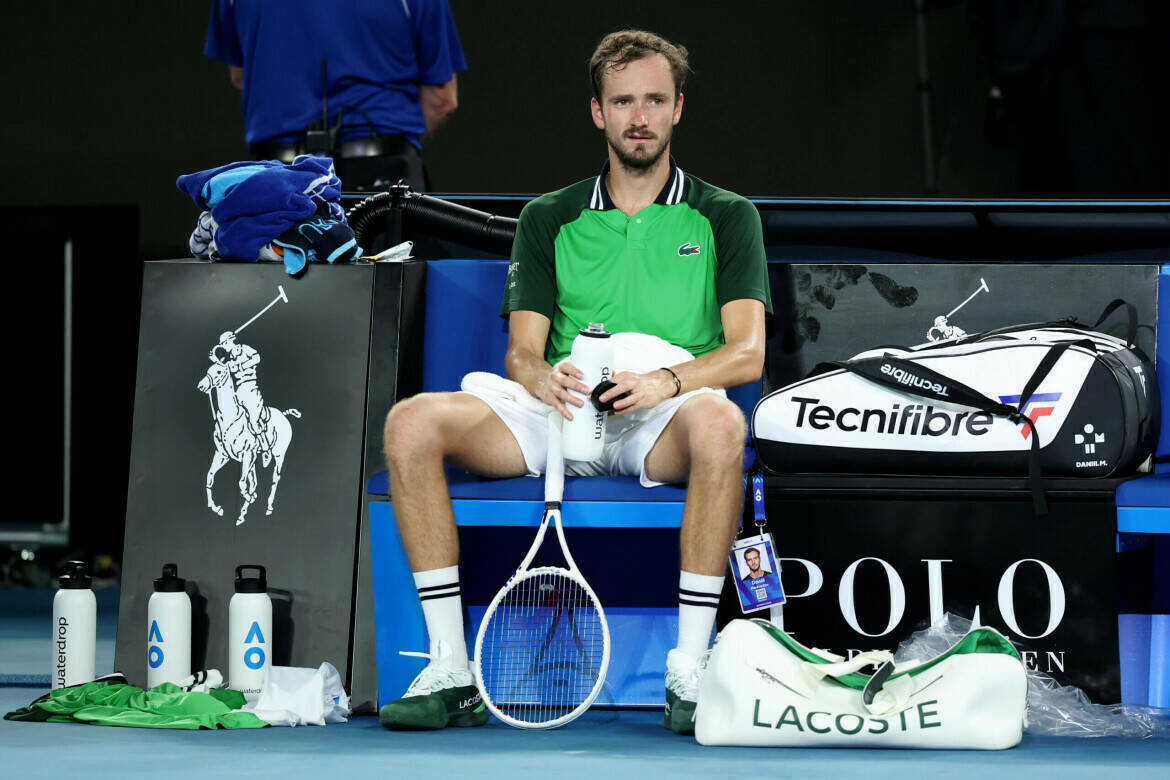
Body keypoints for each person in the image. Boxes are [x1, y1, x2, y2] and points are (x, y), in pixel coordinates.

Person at [379, 30, 771, 735]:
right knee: (410, 423)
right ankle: (449, 669)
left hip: (661, 417)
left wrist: (666, 380)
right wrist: (543, 377)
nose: (639, 117)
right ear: (599, 112)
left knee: (722, 425)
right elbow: (521, 354)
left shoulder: (726, 216)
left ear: (678, 108)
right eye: (623, 102)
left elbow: (745, 353)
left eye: (654, 100)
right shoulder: (548, 217)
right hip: (558, 413)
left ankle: (688, 669)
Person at [204, 0, 466, 191]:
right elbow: (441, 100)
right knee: (394, 267)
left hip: (277, 182)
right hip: (383, 180)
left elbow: (240, 74)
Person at [211, 332, 271, 464]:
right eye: (222, 345)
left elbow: (257, 358)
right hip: (237, 392)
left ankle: (266, 449)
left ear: (230, 341)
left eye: (224, 344)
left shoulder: (244, 349)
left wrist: (240, 366)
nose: (224, 346)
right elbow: (223, 371)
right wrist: (216, 360)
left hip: (250, 389)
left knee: (253, 421)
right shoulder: (229, 359)